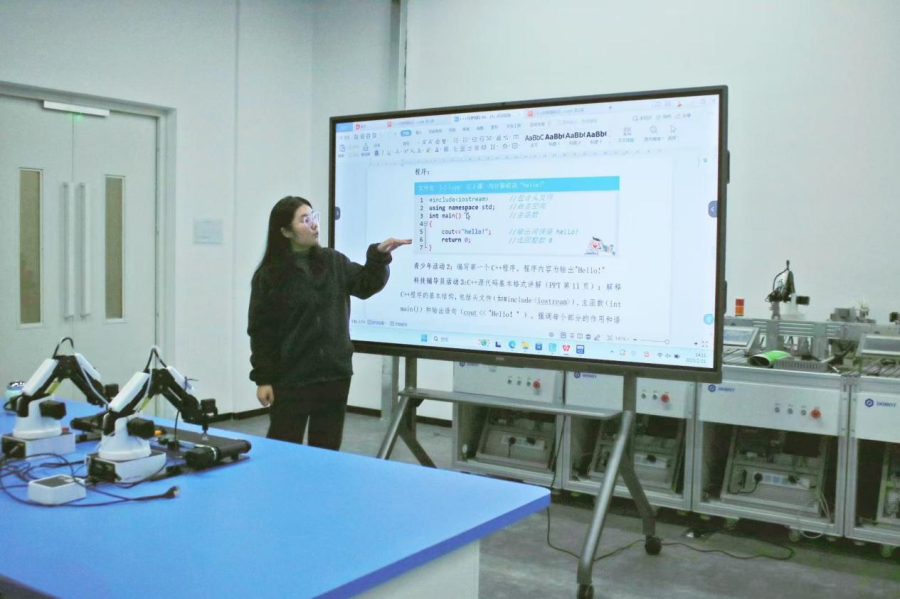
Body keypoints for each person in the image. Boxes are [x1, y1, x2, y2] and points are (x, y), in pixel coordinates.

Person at [248, 196, 410, 450]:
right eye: (305, 220)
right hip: (291, 378)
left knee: (327, 449)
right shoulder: (269, 275)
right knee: (283, 446)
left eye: (314, 217)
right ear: (286, 231)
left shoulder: (333, 261)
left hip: (335, 375)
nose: (314, 224)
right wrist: (263, 379)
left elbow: (365, 284)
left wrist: (378, 257)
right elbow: (261, 331)